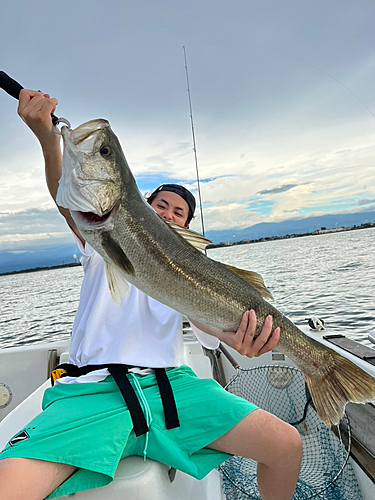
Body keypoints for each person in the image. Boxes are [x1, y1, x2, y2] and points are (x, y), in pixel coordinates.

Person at [0, 90, 302, 500]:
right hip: (94, 390)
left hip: (173, 388)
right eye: (158, 205)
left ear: (188, 227)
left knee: (287, 446)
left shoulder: (195, 274)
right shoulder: (100, 242)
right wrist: (49, 143)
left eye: (179, 213)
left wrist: (246, 339)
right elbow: (68, 200)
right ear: (141, 205)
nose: (167, 214)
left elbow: (216, 330)